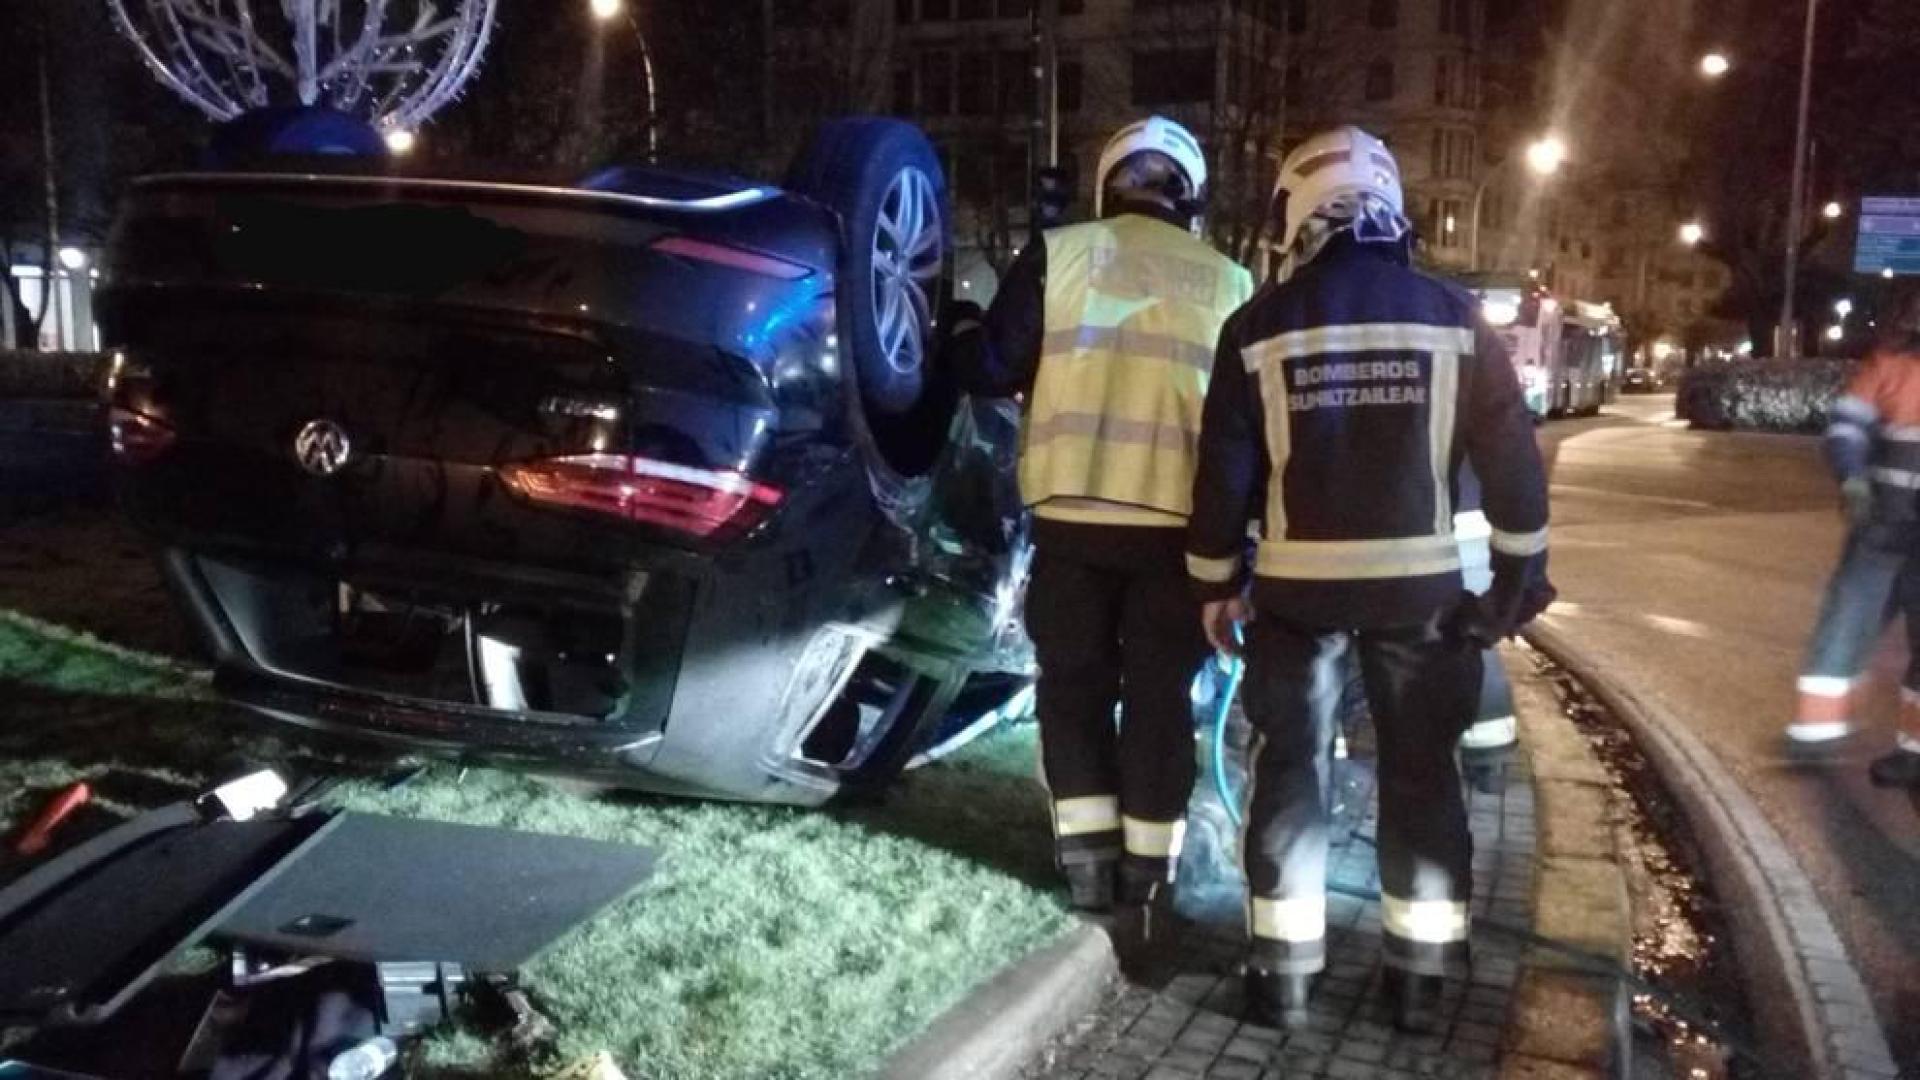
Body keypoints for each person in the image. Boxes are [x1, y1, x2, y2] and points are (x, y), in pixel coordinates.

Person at [1184, 126, 1552, 1031]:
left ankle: (1283, 977)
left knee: (1292, 775)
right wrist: (1517, 574)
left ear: (1299, 215)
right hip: (1420, 597)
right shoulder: (1454, 316)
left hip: (1297, 599)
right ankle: (1421, 982)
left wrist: (1215, 583)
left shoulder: (1256, 326)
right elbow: (1510, 458)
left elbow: (1223, 476)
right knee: (1423, 773)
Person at [946, 116, 1254, 912]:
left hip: (1073, 522)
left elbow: (989, 367)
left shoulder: (1061, 255)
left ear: (1108, 183)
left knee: (1074, 688)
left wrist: (960, 328)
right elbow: (1243, 429)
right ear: (1190, 196)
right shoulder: (1230, 281)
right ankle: (1149, 872)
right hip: (1179, 537)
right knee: (1159, 699)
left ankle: (1085, 864)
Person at [1784, 288, 1920, 788]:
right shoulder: (1890, 367)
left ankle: (1898, 748)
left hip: (1883, 524)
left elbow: (1847, 428)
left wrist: (1854, 478)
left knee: (1851, 618)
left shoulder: (1890, 366)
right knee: (1848, 619)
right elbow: (1847, 429)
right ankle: (1820, 731)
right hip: (1882, 522)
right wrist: (1852, 477)